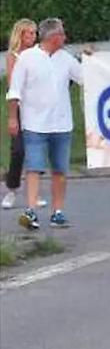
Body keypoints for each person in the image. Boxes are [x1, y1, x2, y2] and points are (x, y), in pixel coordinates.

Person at [7, 18, 86, 230]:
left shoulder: (66, 59)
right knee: (34, 167)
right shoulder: (27, 58)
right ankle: (31, 209)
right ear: (52, 37)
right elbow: (14, 90)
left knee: (60, 170)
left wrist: (92, 59)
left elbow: (85, 78)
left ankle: (57, 211)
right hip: (34, 123)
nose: (65, 37)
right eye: (62, 34)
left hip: (61, 124)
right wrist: (13, 117)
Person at [2, 19, 46, 211]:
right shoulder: (13, 56)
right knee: (18, 150)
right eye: (29, 33)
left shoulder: (39, 54)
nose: (32, 36)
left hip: (37, 108)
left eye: (34, 33)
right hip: (20, 108)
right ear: (20, 35)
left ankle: (34, 194)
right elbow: (13, 83)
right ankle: (12, 189)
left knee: (36, 150)